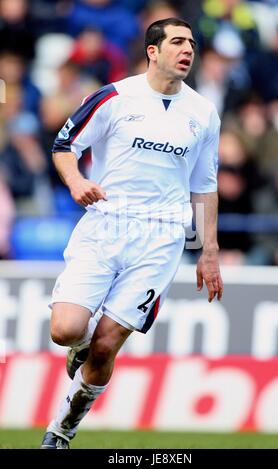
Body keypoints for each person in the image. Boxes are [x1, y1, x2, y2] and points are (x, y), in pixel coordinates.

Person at [40, 17, 223, 449]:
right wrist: (76, 182)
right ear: (152, 51)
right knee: (66, 330)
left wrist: (208, 250)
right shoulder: (114, 98)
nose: (188, 50)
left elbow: (205, 185)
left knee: (106, 346)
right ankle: (78, 346)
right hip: (105, 225)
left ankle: (60, 432)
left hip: (160, 239)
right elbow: (65, 146)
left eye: (192, 43)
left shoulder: (203, 112)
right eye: (177, 42)